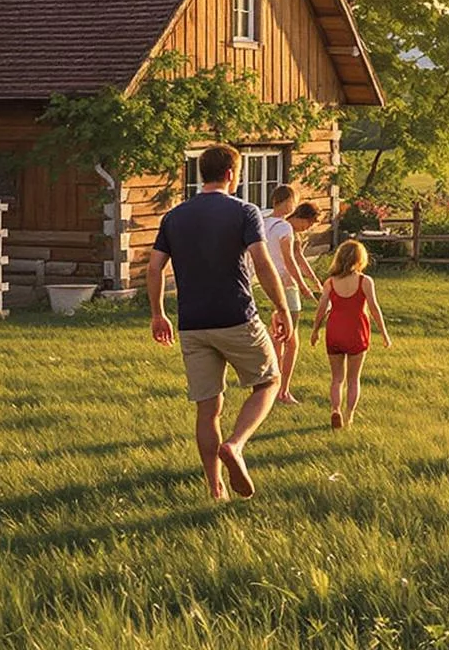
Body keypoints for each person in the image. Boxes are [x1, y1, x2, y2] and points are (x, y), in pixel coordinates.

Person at [147, 143, 293, 502]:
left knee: (208, 408)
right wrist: (282, 307)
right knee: (269, 381)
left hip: (192, 323)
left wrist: (157, 313)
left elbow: (154, 268)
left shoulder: (175, 216)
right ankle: (236, 445)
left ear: (202, 174)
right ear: (231, 174)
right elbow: (261, 262)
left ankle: (215, 488)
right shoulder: (244, 211)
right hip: (235, 316)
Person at [311, 239, 390, 429]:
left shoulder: (330, 282)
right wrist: (384, 334)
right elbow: (374, 308)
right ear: (360, 259)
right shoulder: (365, 281)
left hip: (335, 330)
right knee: (354, 379)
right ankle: (349, 416)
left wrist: (315, 330)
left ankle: (335, 409)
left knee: (337, 378)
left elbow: (321, 308)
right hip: (357, 331)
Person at [259, 185, 322, 406]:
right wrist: (304, 287)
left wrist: (313, 281)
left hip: (267, 284)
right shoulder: (284, 227)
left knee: (280, 339)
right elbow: (290, 261)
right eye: (293, 201)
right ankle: (281, 391)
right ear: (287, 202)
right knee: (287, 342)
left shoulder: (263, 222)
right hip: (286, 286)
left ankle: (273, 388)